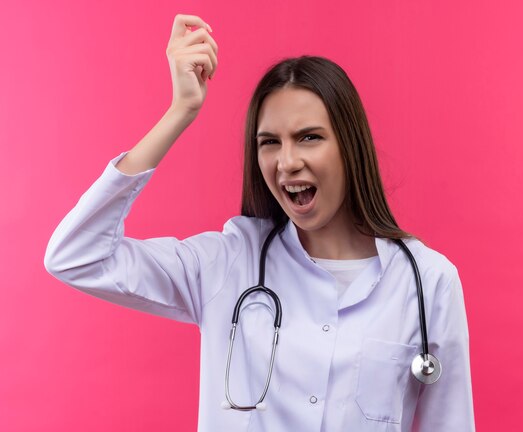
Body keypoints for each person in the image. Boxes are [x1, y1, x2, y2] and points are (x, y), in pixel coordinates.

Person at [44, 13, 475, 432]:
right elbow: (77, 256)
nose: (287, 162)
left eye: (309, 137)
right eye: (270, 143)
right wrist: (181, 111)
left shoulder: (428, 282)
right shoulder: (227, 262)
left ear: (350, 145)